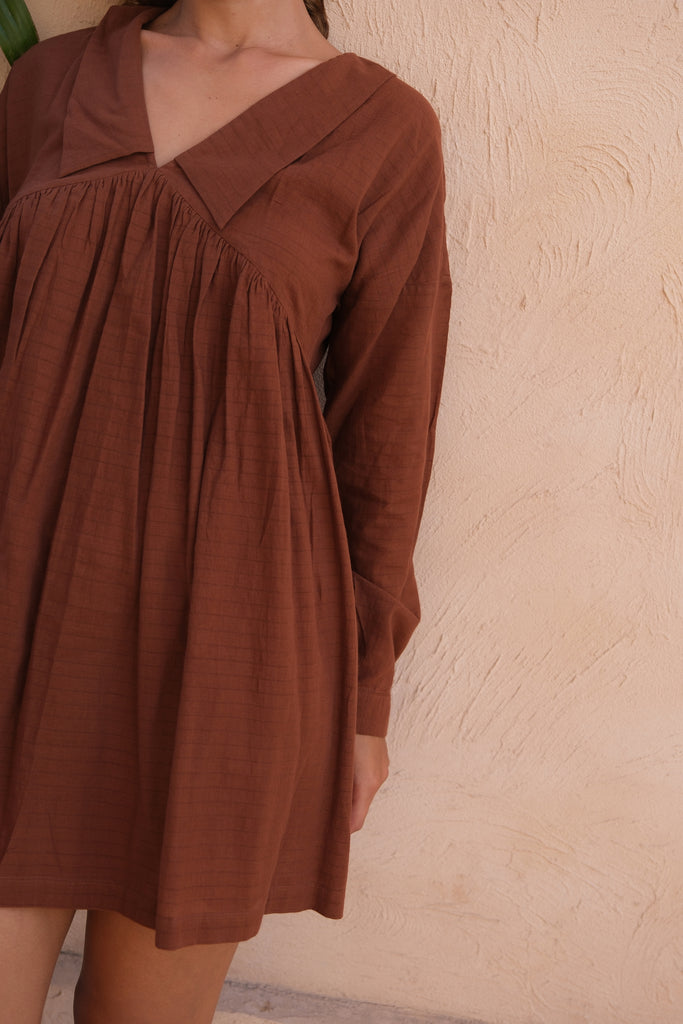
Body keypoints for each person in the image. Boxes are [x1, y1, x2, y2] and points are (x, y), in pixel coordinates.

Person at [0, 0, 452, 1020]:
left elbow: (385, 437)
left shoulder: (383, 128)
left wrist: (362, 703)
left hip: (222, 648)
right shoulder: (51, 83)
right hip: (14, 608)